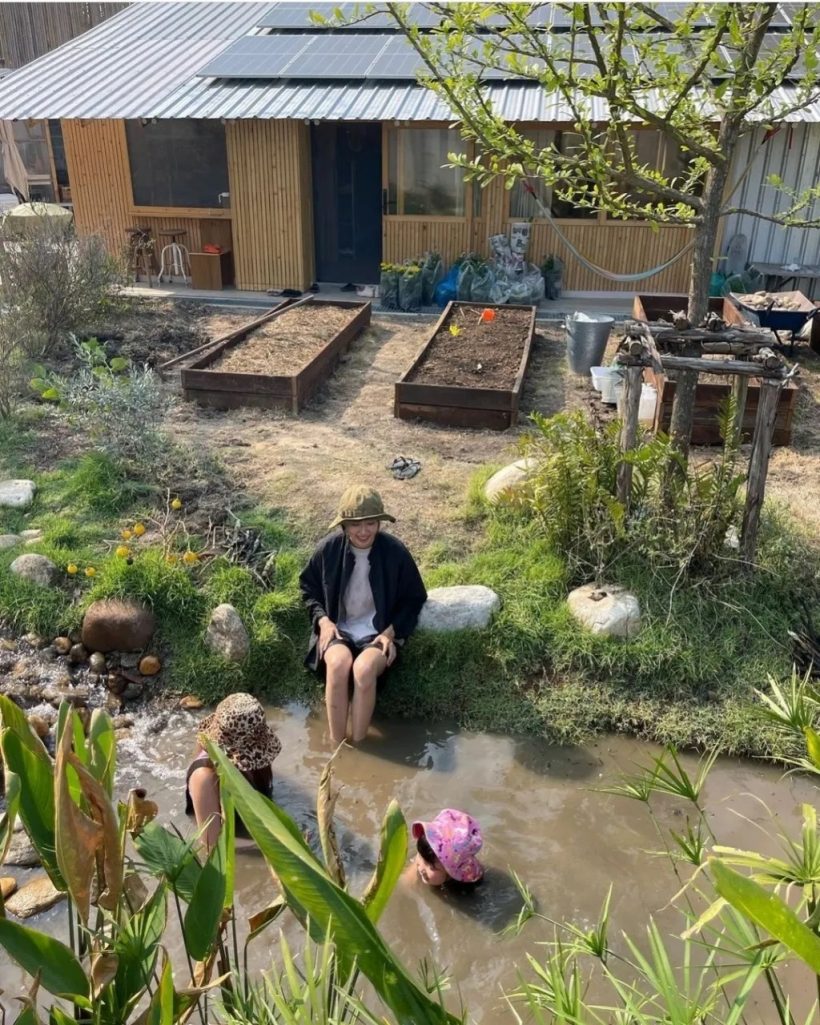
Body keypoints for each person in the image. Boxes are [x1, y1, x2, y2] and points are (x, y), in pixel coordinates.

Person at [299, 484, 427, 744]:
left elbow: (415, 597)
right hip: (339, 628)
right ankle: (338, 747)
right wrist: (323, 621)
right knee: (337, 664)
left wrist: (392, 631)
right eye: (356, 525)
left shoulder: (396, 552)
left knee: (364, 669)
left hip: (378, 632)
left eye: (370, 523)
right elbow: (307, 588)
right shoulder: (328, 550)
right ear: (344, 526)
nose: (363, 531)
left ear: (379, 523)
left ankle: (358, 744)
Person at [185, 692, 282, 852]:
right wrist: (276, 844)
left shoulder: (256, 753)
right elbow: (212, 842)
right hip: (223, 823)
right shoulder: (204, 777)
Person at [412, 809, 485, 890]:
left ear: (452, 874)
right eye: (421, 856)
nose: (421, 868)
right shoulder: (427, 856)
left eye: (432, 867)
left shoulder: (464, 889)